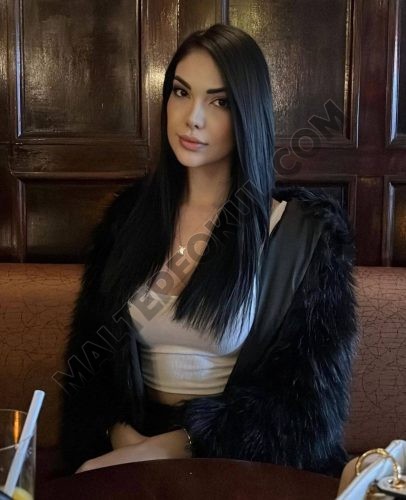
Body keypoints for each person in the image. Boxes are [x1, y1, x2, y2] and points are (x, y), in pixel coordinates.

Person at [60, 23, 357, 476]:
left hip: (241, 463)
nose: (192, 117)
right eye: (181, 92)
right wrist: (125, 442)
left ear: (248, 114)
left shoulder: (304, 237)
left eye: (219, 102)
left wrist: (180, 446)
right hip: (130, 450)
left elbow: (308, 409)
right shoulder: (127, 220)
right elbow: (89, 371)